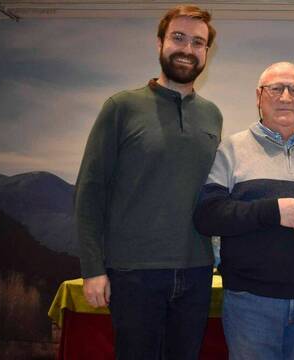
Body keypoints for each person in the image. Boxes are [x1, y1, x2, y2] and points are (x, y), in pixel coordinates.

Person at [74, 5, 222, 359]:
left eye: (198, 42)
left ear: (206, 53)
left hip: (197, 272)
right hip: (133, 274)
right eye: (178, 37)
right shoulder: (121, 107)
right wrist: (93, 269)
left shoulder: (212, 115)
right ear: (159, 43)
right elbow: (90, 191)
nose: (187, 48)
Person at [195, 62, 294, 360]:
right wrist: (276, 211)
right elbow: (208, 215)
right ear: (259, 97)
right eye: (276, 88)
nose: (286, 97)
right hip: (251, 302)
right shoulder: (231, 150)